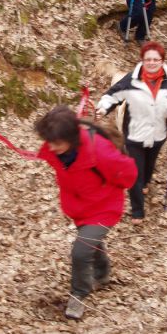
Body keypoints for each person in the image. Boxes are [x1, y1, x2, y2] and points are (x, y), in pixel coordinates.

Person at [35, 106, 137, 320]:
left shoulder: (99, 150)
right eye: (49, 142)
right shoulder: (57, 146)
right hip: (78, 207)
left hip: (104, 208)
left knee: (80, 252)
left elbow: (128, 173)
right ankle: (102, 272)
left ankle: (79, 294)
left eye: (56, 143)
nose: (51, 147)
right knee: (89, 243)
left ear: (71, 138)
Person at [97, 42, 167, 224]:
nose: (152, 63)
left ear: (162, 61)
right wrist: (102, 109)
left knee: (149, 165)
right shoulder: (131, 80)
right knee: (134, 173)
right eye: (148, 59)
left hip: (158, 135)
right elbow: (112, 96)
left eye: (156, 59)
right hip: (134, 136)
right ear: (142, 60)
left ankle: (146, 183)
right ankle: (138, 211)